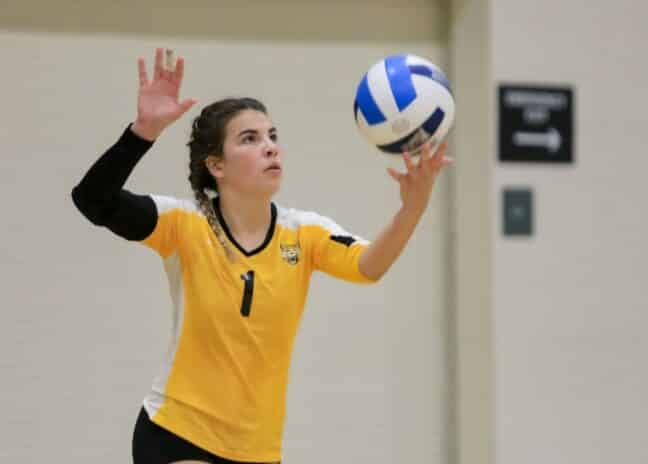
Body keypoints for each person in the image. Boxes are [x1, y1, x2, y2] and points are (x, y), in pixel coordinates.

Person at [71, 48, 452, 464]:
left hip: (257, 450)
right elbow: (92, 199)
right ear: (216, 165)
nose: (270, 147)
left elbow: (370, 266)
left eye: (272, 136)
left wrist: (413, 206)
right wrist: (141, 133)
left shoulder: (305, 234)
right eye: (250, 139)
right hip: (177, 431)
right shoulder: (184, 225)